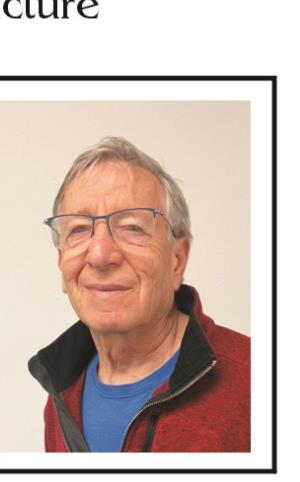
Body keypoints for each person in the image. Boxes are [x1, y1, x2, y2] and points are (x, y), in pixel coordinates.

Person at [27, 136, 251, 455]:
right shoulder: (62, 394)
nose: (101, 255)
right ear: (62, 261)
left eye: (132, 227)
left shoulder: (258, 384)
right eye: (78, 229)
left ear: (178, 259)